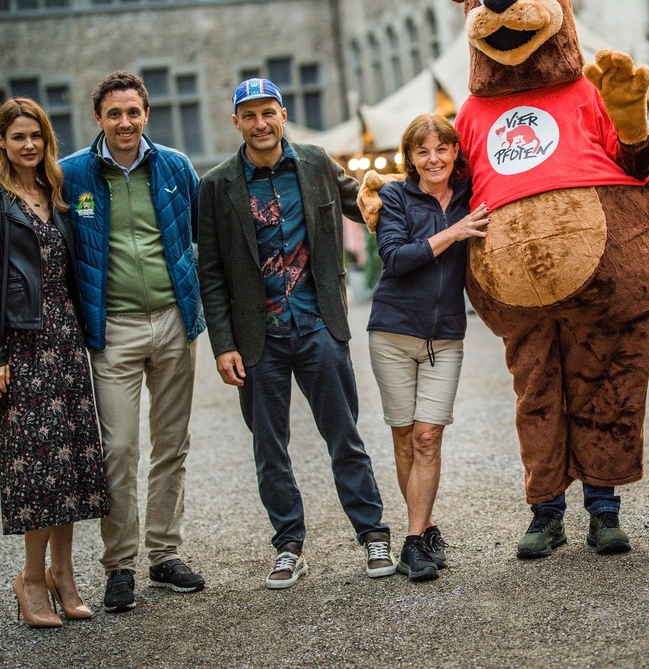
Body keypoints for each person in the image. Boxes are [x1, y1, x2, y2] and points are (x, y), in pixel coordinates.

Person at [197, 78, 395, 589]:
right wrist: (223, 345)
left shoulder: (316, 164)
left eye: (269, 113)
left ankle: (373, 533)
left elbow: (370, 207)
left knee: (345, 436)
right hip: (256, 338)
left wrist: (430, 194)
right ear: (235, 122)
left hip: (319, 326)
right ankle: (288, 545)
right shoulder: (216, 186)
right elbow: (211, 272)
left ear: (283, 115)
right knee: (270, 448)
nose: (260, 124)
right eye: (249, 115)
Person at [60, 71, 206, 612]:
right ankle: (119, 563)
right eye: (115, 114)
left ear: (147, 114)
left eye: (134, 112)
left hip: (172, 322)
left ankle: (164, 554)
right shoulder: (71, 174)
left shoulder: (174, 166)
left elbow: (198, 236)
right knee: (117, 448)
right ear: (98, 118)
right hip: (111, 329)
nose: (126, 122)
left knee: (172, 444)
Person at [0, 98, 109, 627]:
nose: (29, 145)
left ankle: (63, 575)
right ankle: (29, 579)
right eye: (19, 136)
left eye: (37, 137)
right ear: (2, 142)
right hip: (22, 347)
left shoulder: (57, 193)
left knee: (71, 463)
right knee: (38, 469)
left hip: (66, 341)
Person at [366, 113, 489, 582]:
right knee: (403, 437)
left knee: (427, 437)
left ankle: (413, 542)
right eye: (422, 151)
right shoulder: (395, 196)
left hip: (445, 336)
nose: (433, 159)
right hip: (393, 332)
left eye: (441, 149)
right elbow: (395, 258)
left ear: (455, 151)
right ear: (410, 157)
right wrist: (453, 233)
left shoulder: (470, 195)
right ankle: (428, 527)